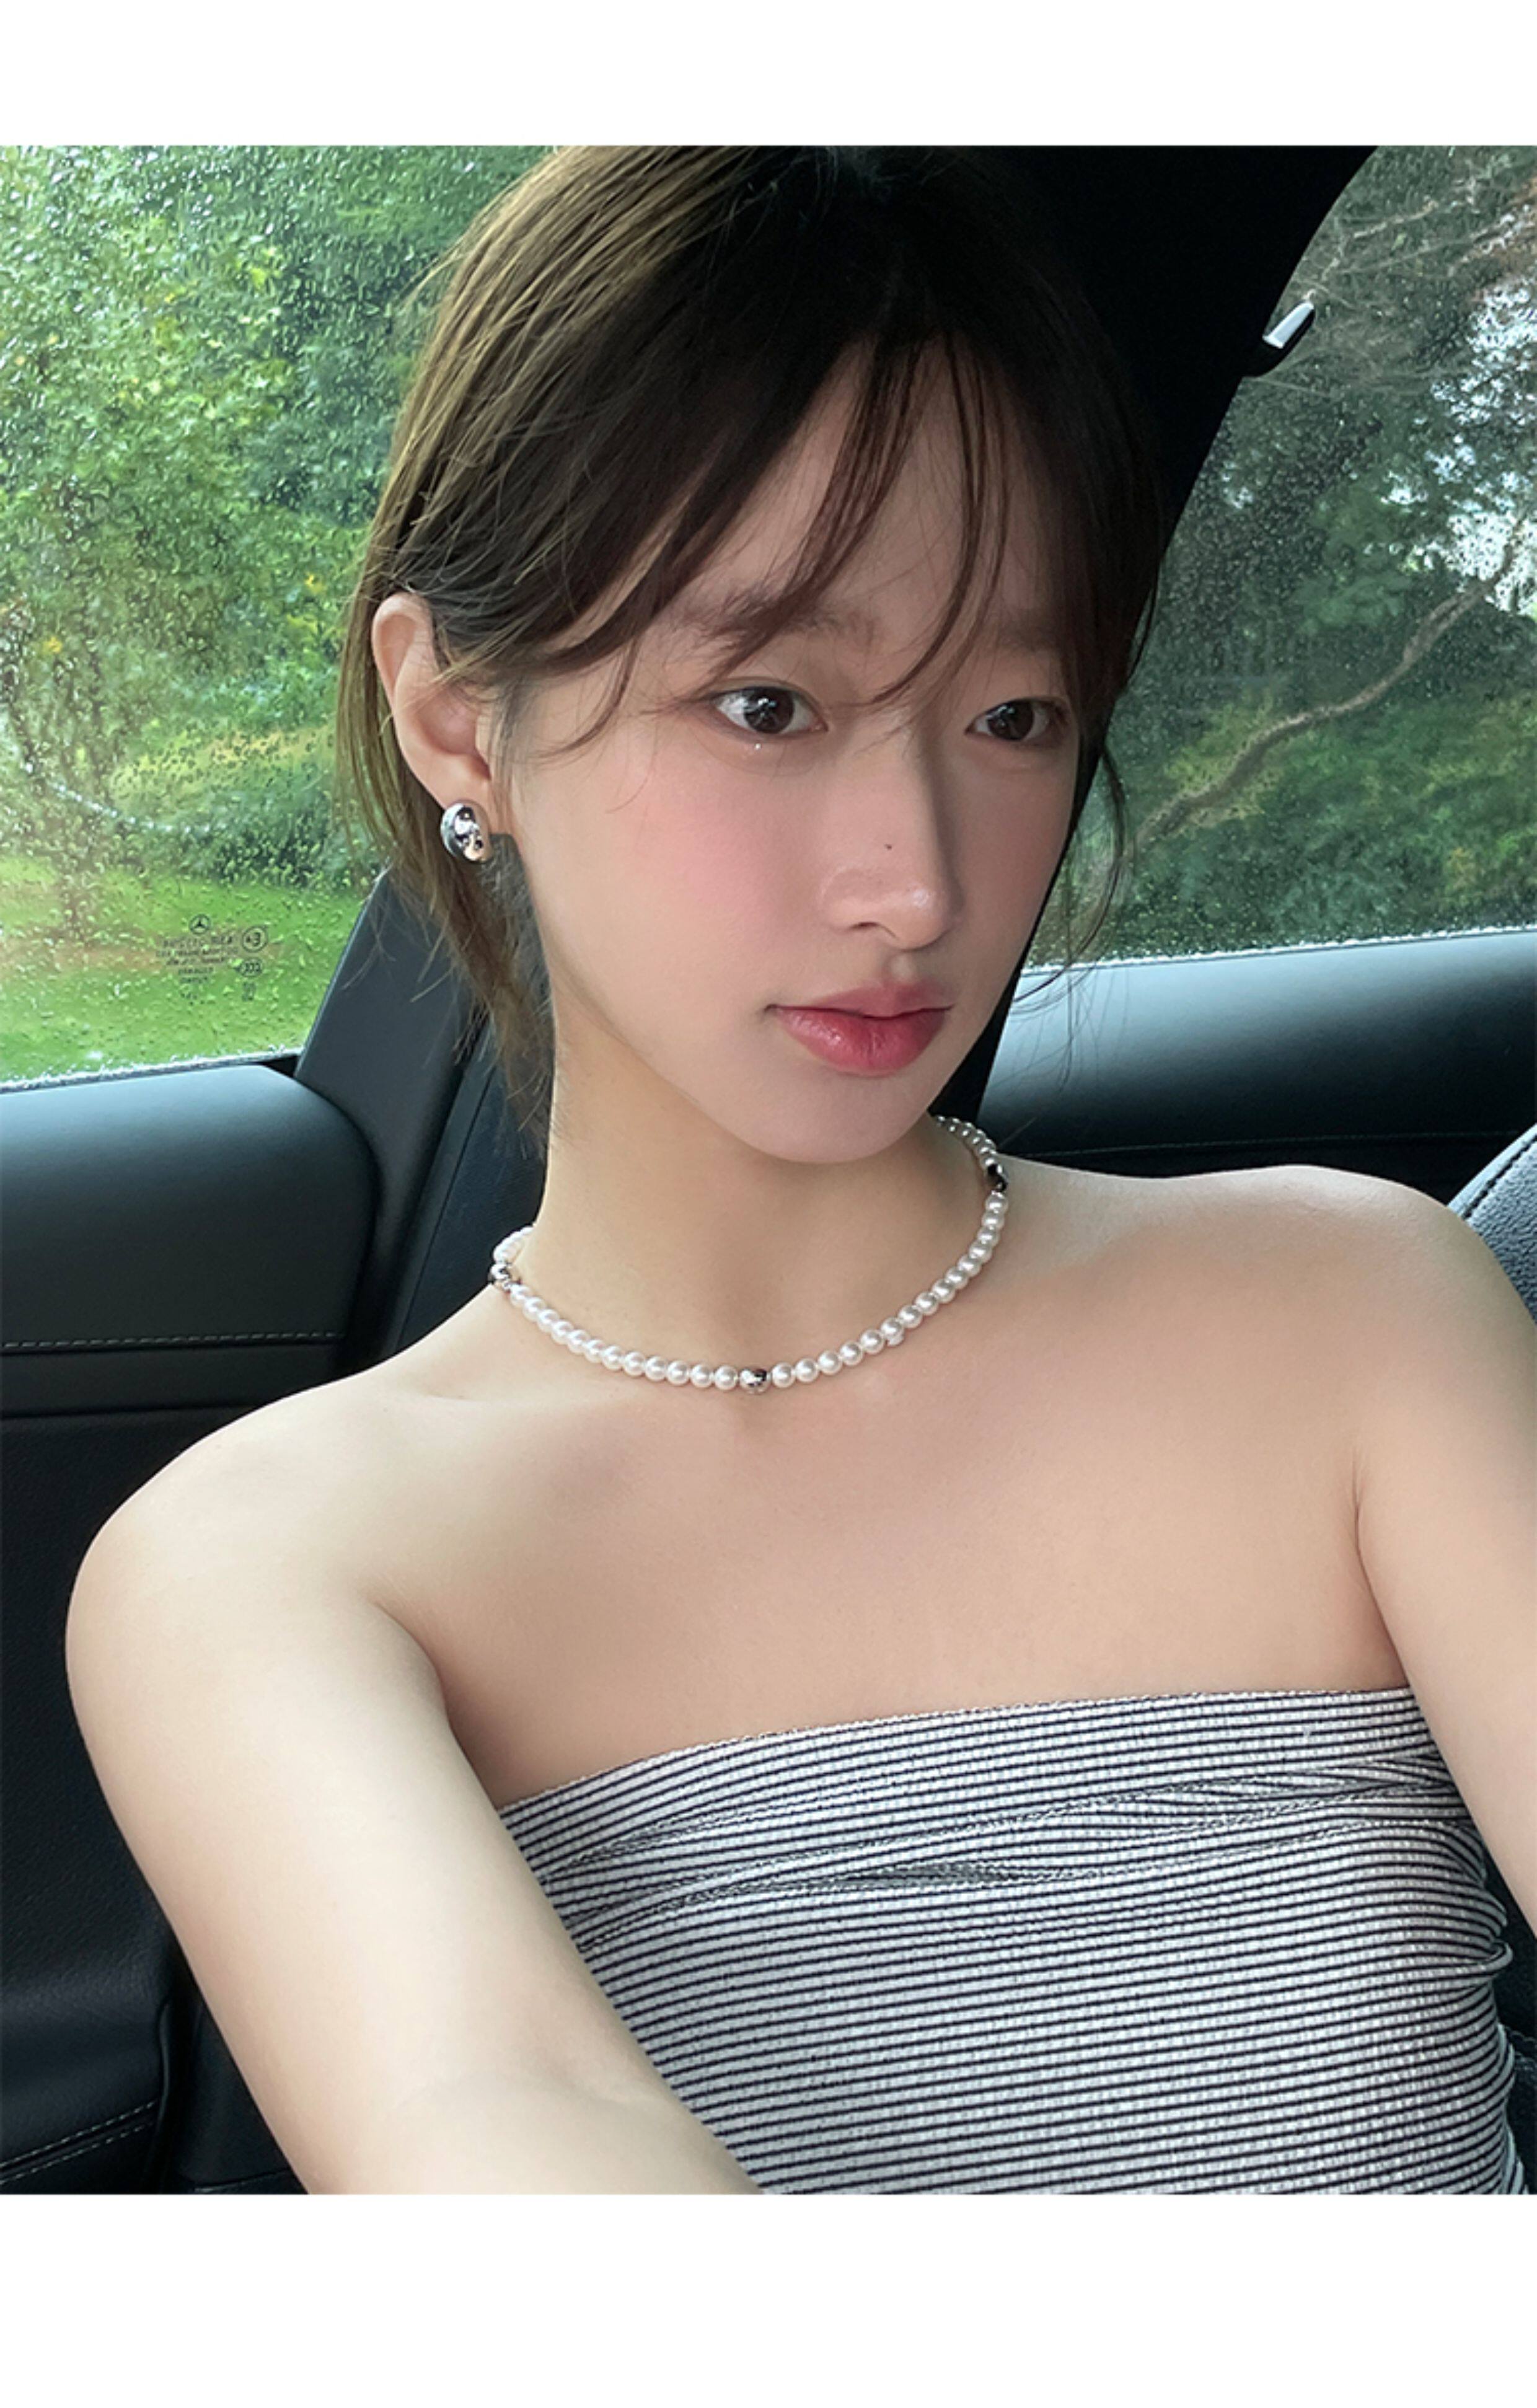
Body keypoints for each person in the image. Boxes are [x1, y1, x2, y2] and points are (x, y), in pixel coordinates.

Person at [80, 144, 1524, 2198]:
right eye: (769, 704)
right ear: (457, 718)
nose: (918, 883)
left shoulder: (1357, 1314)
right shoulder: (270, 1559)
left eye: (1012, 714)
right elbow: (503, 2130)